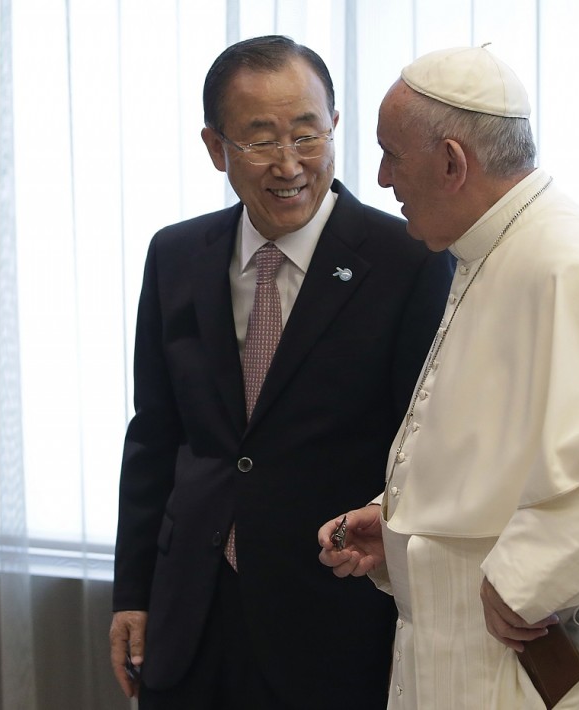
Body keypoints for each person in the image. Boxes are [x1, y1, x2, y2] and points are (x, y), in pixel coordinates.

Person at [318, 45, 579, 709]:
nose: (380, 178)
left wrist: (529, 574)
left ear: (453, 162)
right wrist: (398, 521)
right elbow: (513, 447)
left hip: (565, 664)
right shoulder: (497, 247)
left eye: (391, 154)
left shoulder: (559, 256)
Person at [109, 35, 452, 709]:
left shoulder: (407, 260)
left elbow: (430, 448)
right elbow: (155, 436)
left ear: (334, 129)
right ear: (216, 148)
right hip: (191, 617)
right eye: (261, 139)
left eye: (307, 133)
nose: (289, 163)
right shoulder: (176, 254)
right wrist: (133, 593)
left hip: (333, 621)